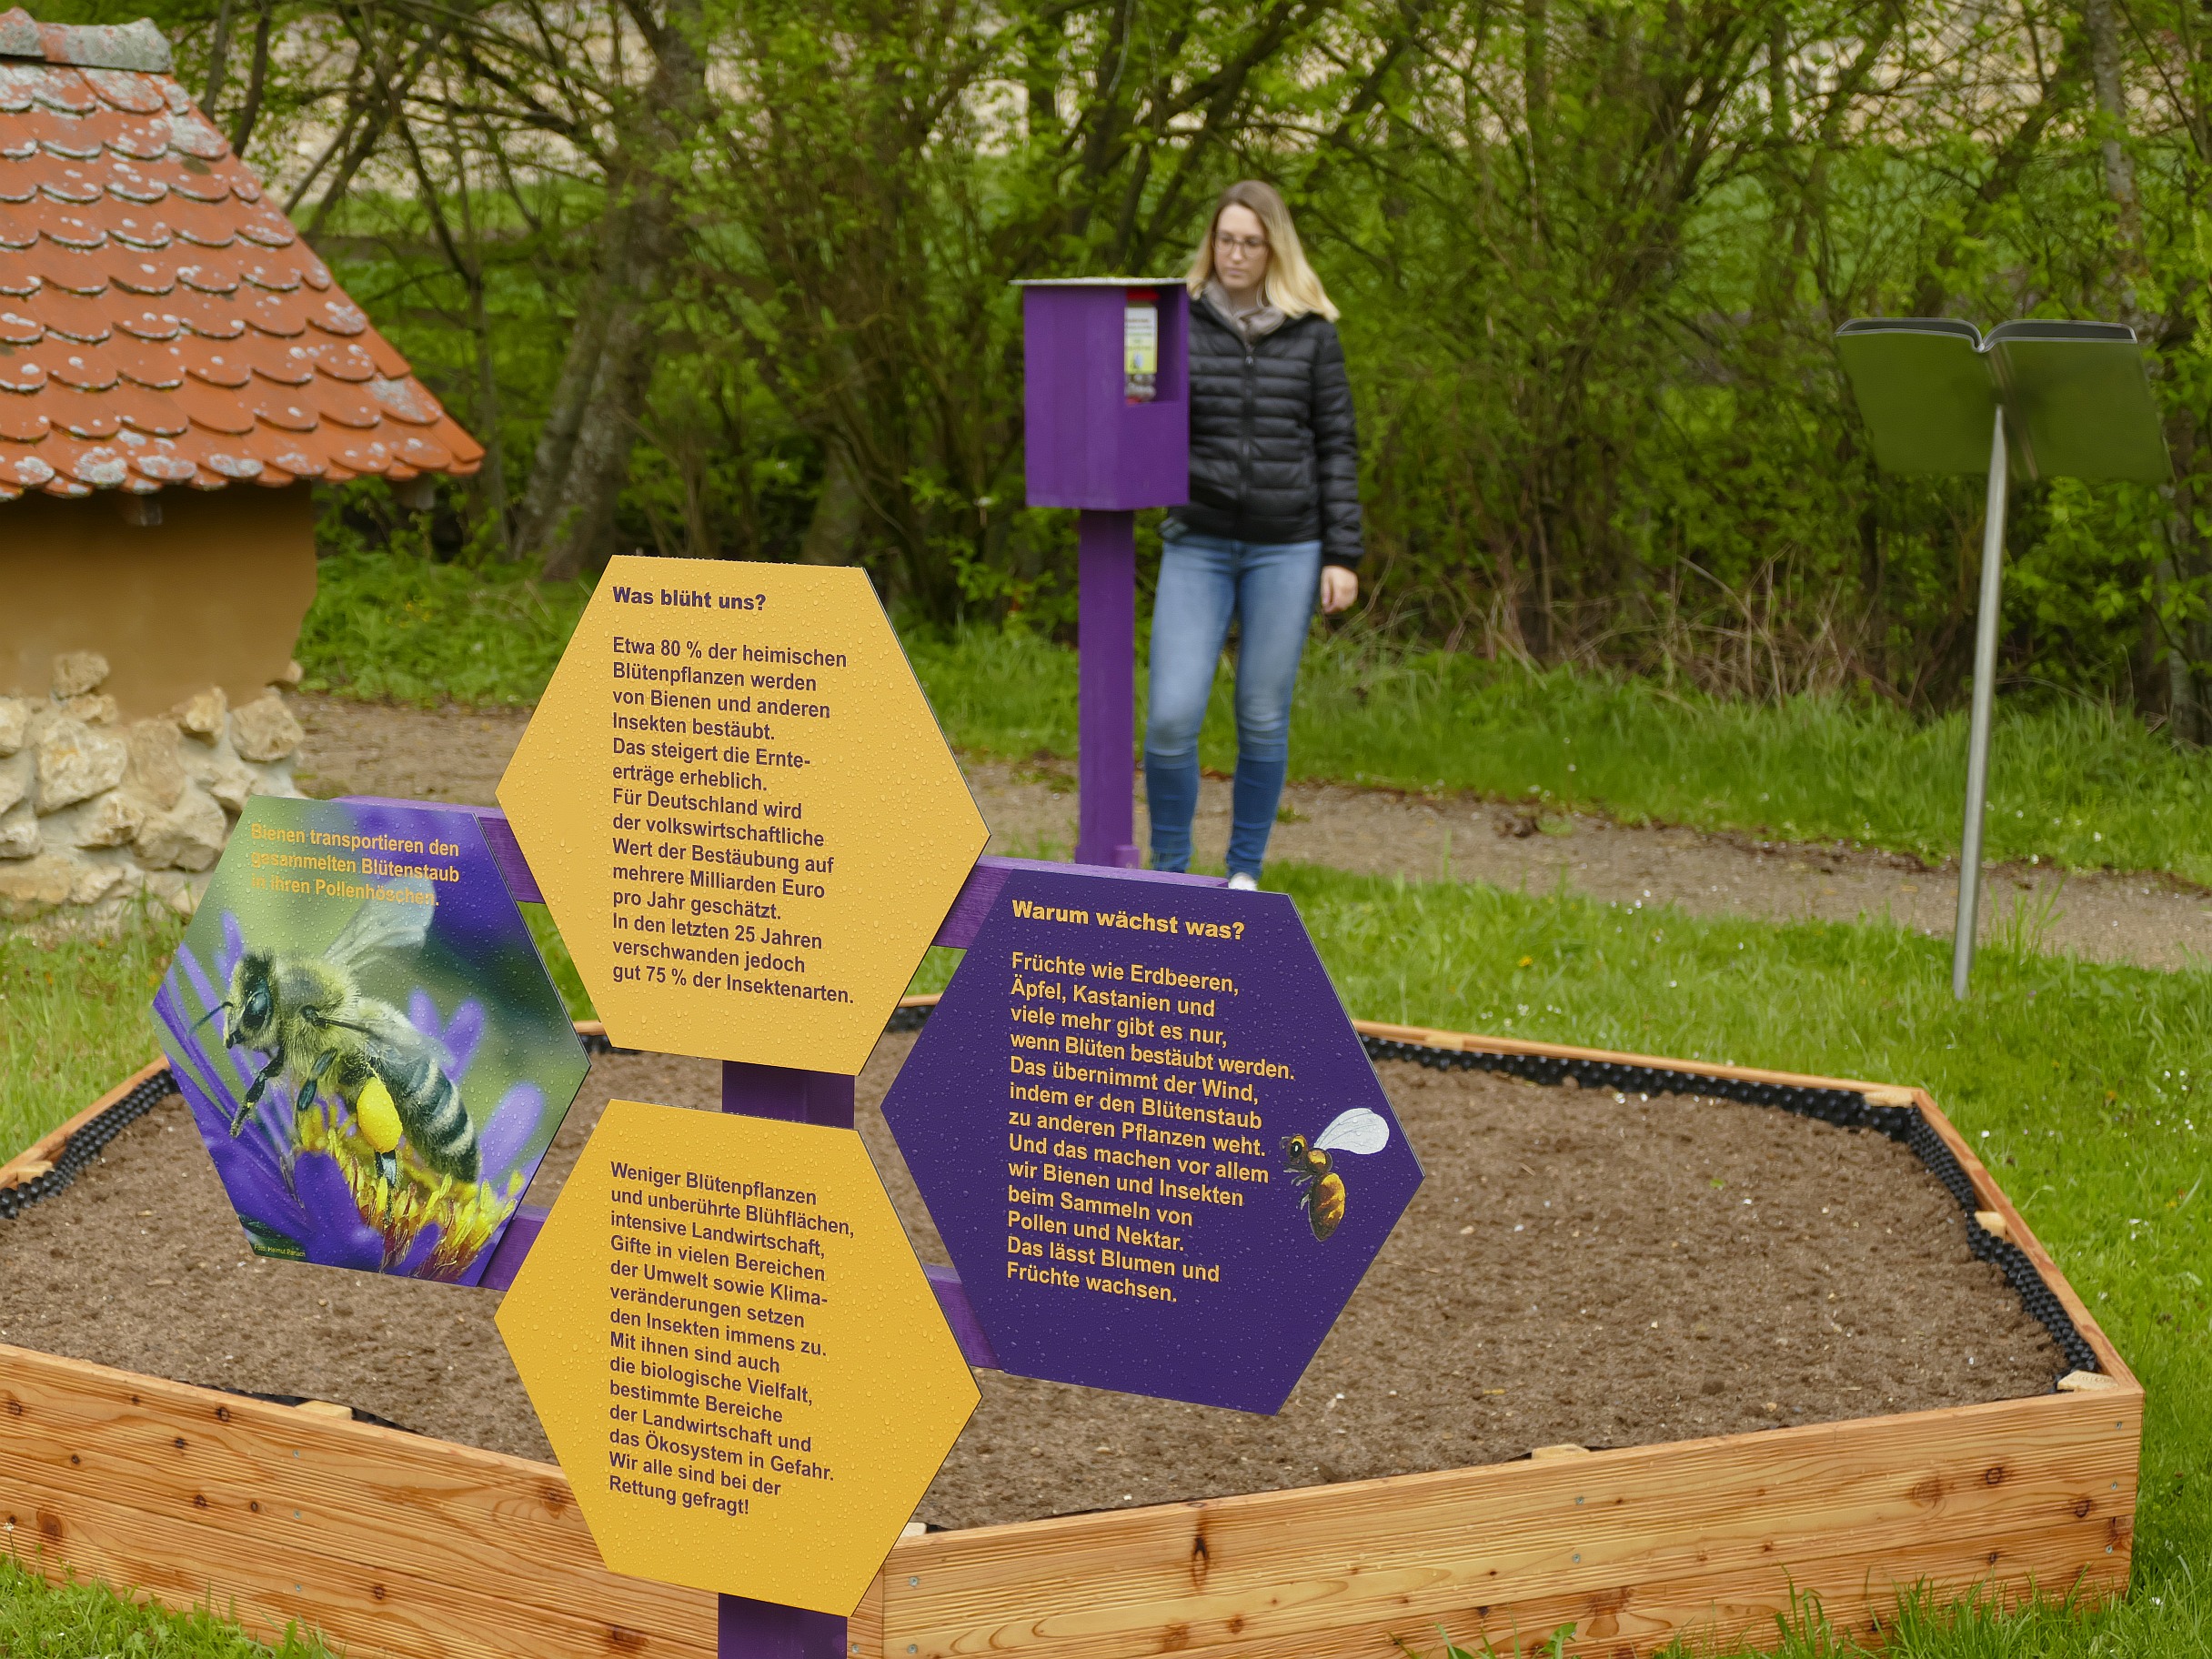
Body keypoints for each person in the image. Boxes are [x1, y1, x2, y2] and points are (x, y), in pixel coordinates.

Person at [1145, 179, 1362, 890]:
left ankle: (1243, 872)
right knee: (1173, 716)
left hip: (1287, 546)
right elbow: (1140, 415)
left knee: (1262, 715)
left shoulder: (1312, 333)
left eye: (1249, 242)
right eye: (1224, 239)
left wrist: (1342, 554)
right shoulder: (1175, 320)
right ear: (1211, 244)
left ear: (1274, 249)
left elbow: (1337, 446)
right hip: (1198, 540)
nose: (1234, 254)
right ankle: (1172, 872)